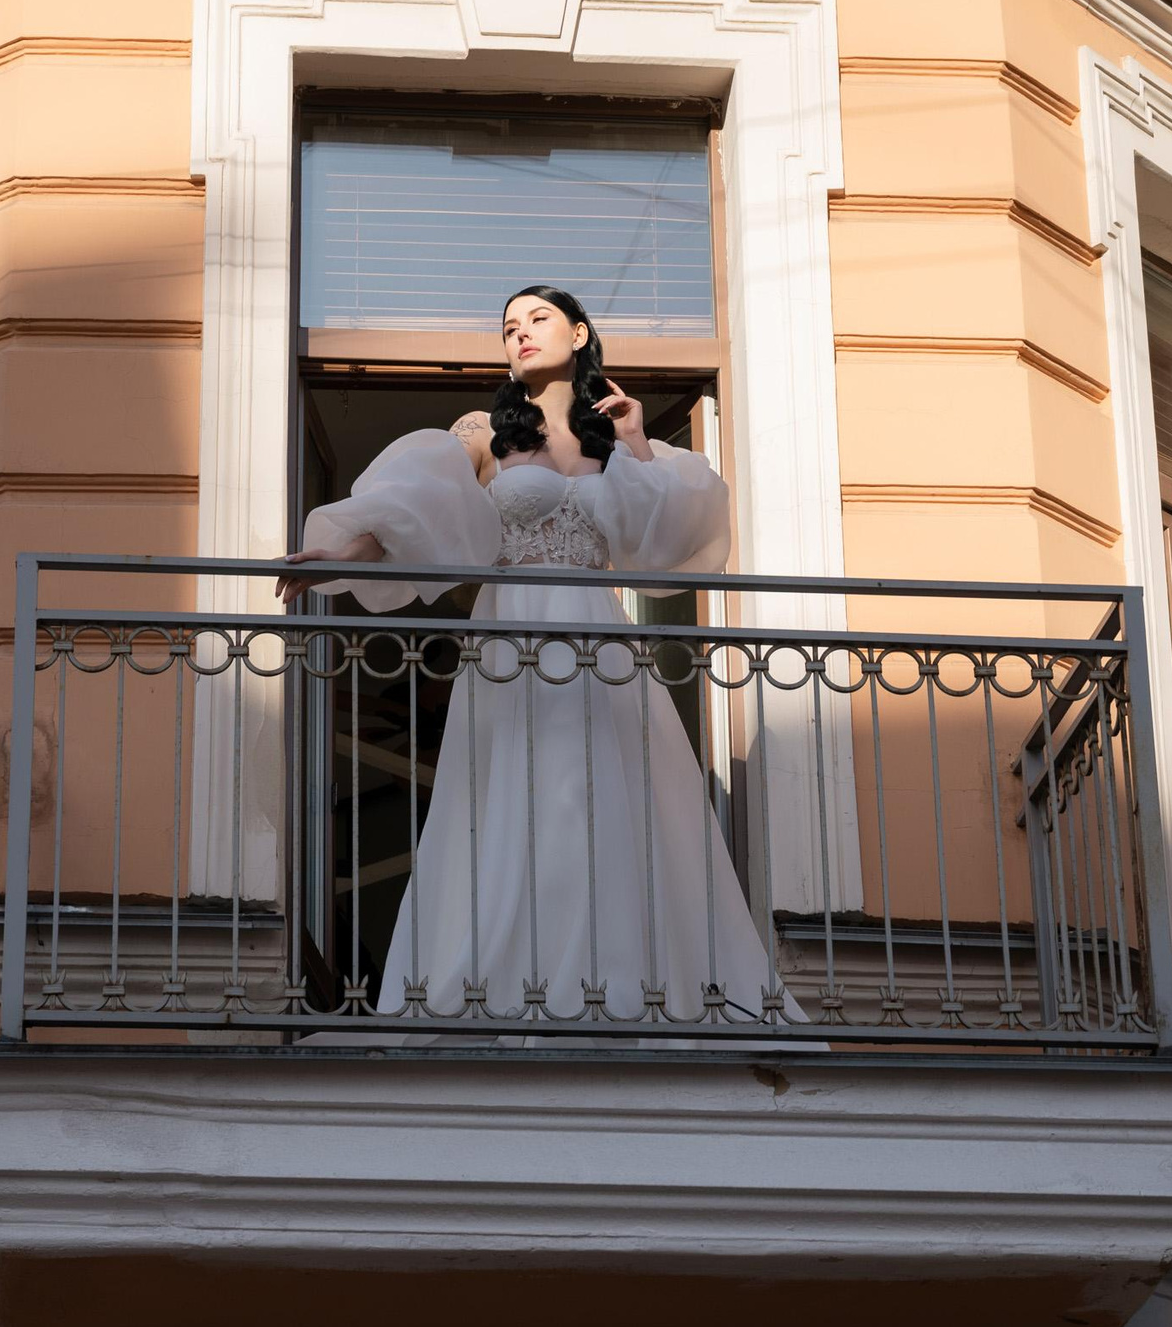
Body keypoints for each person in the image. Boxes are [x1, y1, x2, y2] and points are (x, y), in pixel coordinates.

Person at [278, 285, 802, 1032]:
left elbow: (666, 540)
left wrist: (639, 439)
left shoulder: (612, 442)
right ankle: (504, 994)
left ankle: (624, 997)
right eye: (508, 327)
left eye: (537, 319)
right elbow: (408, 515)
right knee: (514, 802)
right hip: (512, 642)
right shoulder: (484, 434)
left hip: (601, 643)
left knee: (608, 807)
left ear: (580, 332)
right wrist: (334, 551)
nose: (519, 334)